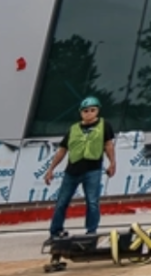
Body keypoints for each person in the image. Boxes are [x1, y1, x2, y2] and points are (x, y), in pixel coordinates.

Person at [42, 97, 117, 241]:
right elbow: (62, 150)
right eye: (85, 111)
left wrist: (112, 163)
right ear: (81, 113)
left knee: (92, 202)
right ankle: (55, 232)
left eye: (92, 110)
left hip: (92, 169)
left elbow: (108, 145)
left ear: (98, 111)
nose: (89, 113)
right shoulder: (74, 129)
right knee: (62, 202)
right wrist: (51, 169)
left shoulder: (104, 125)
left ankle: (91, 232)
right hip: (72, 171)